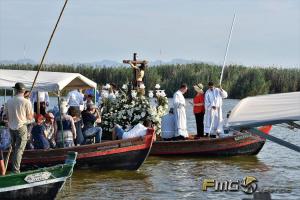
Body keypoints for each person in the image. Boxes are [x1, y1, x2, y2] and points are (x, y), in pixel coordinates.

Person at [5, 82, 33, 173]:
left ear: (15, 90)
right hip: (21, 127)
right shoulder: (26, 102)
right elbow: (30, 117)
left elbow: (7, 117)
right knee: (19, 150)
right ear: (24, 91)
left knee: (15, 149)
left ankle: (13, 169)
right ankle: (16, 171)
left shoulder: (8, 101)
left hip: (11, 128)